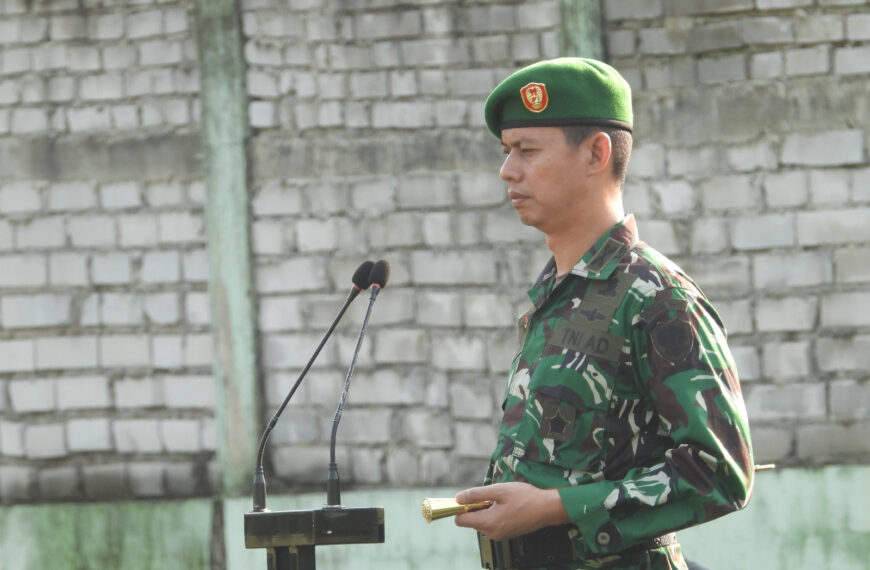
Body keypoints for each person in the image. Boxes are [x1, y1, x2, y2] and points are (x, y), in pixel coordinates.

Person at [453, 58, 754, 570]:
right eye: (506, 152)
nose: (507, 170)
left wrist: (551, 508)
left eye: (527, 150)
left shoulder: (657, 297)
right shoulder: (559, 292)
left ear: (596, 153)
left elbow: (720, 472)